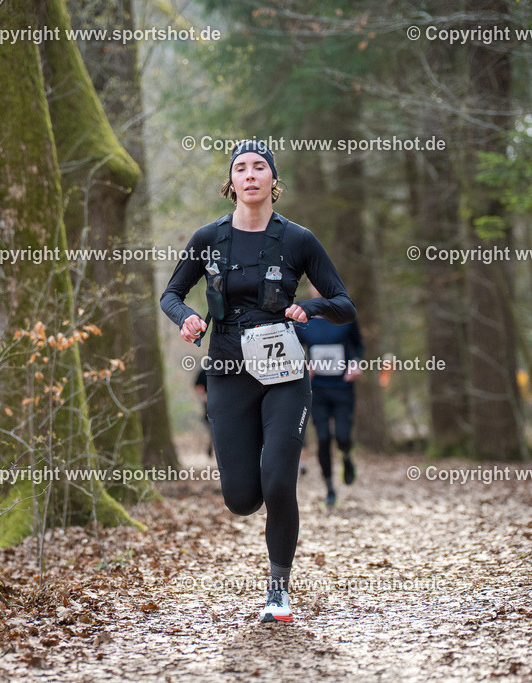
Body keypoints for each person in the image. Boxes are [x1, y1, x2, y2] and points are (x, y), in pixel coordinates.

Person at [160, 140, 355, 623]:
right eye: (241, 168)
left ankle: (278, 592)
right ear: (232, 183)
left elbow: (343, 304)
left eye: (259, 167)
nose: (250, 175)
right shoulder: (208, 238)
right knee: (242, 498)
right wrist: (186, 317)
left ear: (273, 180)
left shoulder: (298, 240)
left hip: (286, 374)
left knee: (278, 479)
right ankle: (262, 506)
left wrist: (306, 308)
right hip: (227, 371)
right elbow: (170, 293)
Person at [295, 286, 364, 507]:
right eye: (315, 286)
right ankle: (330, 489)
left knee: (342, 436)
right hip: (317, 389)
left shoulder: (345, 314)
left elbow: (359, 345)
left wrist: (356, 363)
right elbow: (294, 349)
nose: (319, 289)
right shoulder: (303, 319)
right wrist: (303, 365)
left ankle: (346, 456)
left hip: (342, 387)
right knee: (323, 438)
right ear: (310, 289)